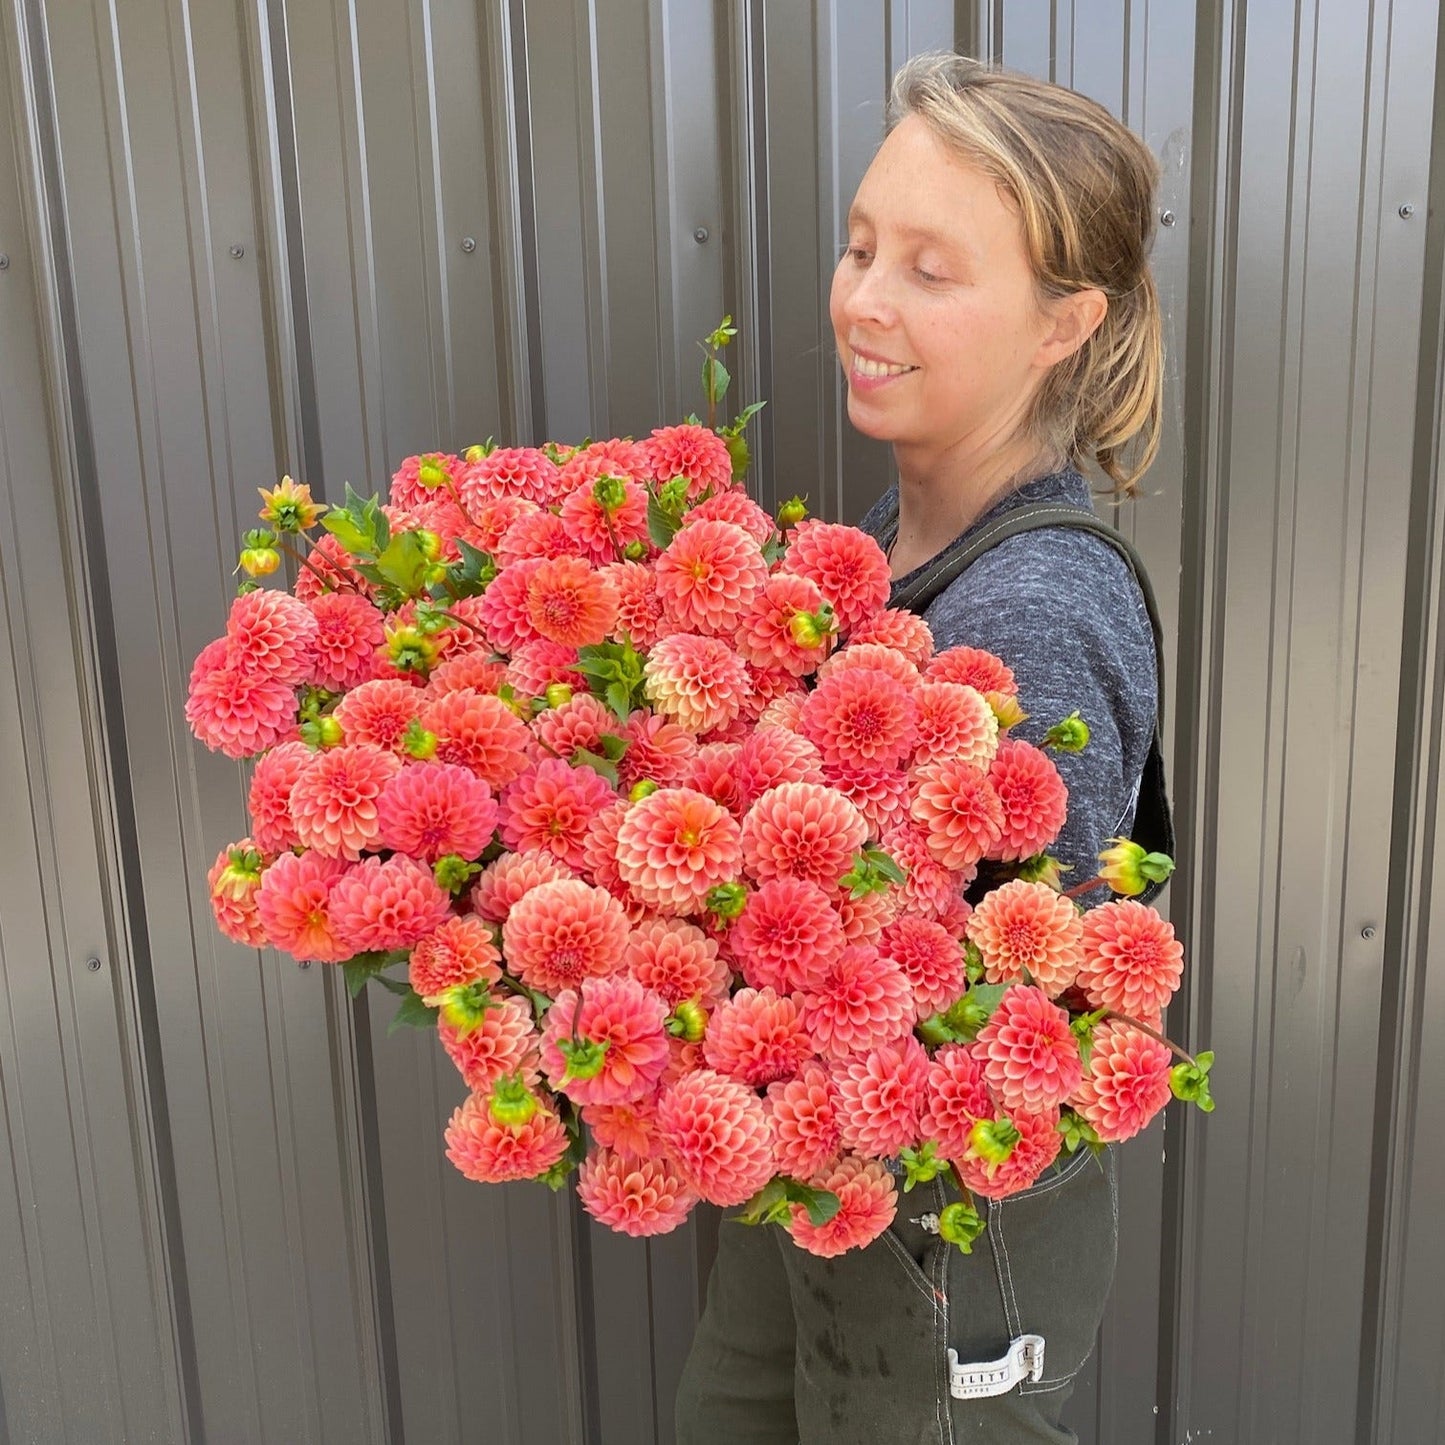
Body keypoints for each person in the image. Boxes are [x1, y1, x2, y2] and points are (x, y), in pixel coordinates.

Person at [675, 51, 1165, 1445]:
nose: (863, 301)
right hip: (830, 1181)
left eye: (930, 271)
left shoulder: (1032, 617)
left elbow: (1004, 1018)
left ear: (1064, 321)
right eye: (859, 247)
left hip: (944, 1229)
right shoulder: (889, 546)